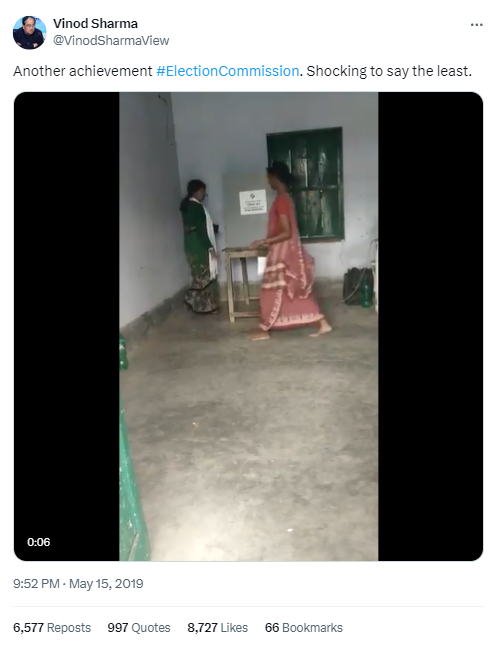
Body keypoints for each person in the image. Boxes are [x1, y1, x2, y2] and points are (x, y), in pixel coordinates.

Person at [249, 162, 332, 341]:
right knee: (291, 291)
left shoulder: (281, 200)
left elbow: (286, 232)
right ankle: (322, 322)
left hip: (282, 252)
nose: (269, 182)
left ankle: (264, 329)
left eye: (269, 178)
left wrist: (262, 241)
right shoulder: (286, 199)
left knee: (271, 291)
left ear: (275, 177)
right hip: (285, 250)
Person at [180, 179, 220, 314]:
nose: (204, 194)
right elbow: (201, 230)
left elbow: (193, 226)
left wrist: (212, 228)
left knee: (198, 275)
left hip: (191, 245)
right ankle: (199, 303)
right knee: (205, 276)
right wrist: (210, 248)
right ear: (196, 191)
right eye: (203, 191)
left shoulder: (187, 206)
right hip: (199, 246)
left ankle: (196, 303)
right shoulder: (196, 207)